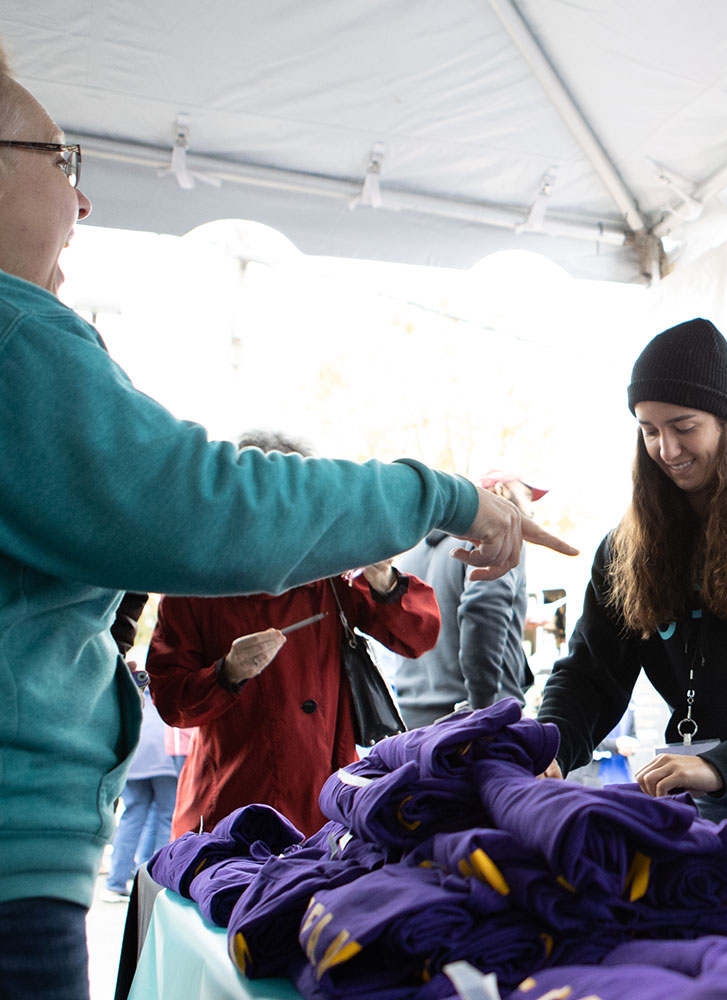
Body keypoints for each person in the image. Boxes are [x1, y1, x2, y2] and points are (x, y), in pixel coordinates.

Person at [0, 51, 576, 1000]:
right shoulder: (17, 339)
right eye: (63, 162)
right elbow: (207, 521)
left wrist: (389, 579)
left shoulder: (326, 577)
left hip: (308, 815)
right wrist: (444, 495)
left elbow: (413, 626)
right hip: (161, 832)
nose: (82, 202)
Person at [538, 318, 727, 837]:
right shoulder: (627, 546)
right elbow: (592, 672)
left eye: (684, 426)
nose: (667, 451)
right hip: (700, 790)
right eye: (649, 431)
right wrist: (547, 748)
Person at [147, 430, 443, 837]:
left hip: (325, 806)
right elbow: (171, 701)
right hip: (228, 810)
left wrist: (384, 580)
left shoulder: (333, 577)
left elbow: (419, 635)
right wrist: (226, 674)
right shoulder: (197, 587)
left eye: (294, 503)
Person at [392, 470, 544, 729]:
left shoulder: (409, 550)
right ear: (501, 492)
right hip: (473, 726)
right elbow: (483, 612)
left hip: (414, 723)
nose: (531, 509)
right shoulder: (496, 539)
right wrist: (485, 709)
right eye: (527, 493)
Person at [104, 671, 178, 900]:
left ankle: (116, 882)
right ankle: (153, 885)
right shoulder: (170, 693)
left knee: (132, 815)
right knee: (166, 817)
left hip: (134, 758)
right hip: (166, 759)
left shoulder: (136, 691)